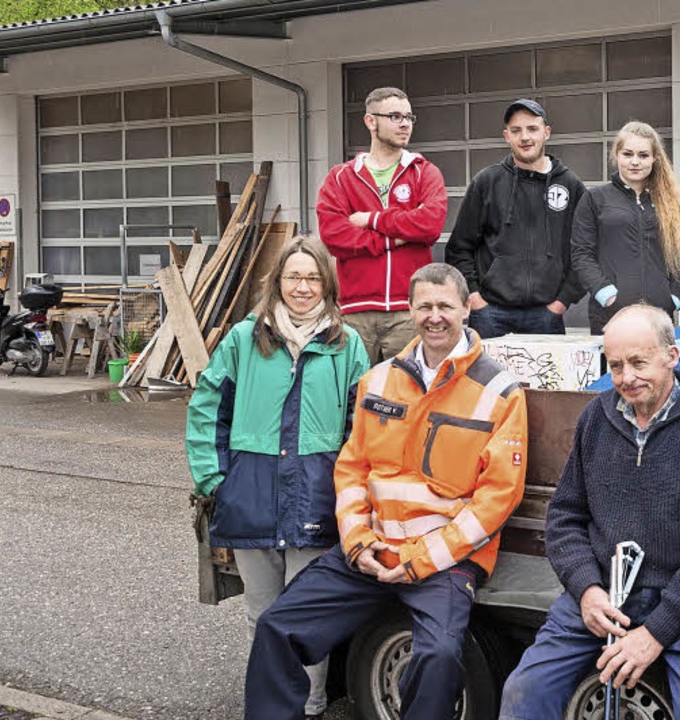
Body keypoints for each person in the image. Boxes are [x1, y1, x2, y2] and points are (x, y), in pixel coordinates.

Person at [244, 263, 527, 720]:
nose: (435, 316)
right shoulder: (376, 380)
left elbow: (498, 497)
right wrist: (357, 542)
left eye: (445, 306)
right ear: (410, 310)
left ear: (464, 310)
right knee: (278, 625)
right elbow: (352, 470)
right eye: (424, 306)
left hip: (443, 563)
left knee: (437, 658)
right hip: (371, 553)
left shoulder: (498, 391)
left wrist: (421, 559)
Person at [499, 303, 680, 720]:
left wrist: (656, 632)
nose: (626, 378)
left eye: (638, 362)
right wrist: (586, 589)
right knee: (523, 692)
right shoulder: (595, 418)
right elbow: (564, 518)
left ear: (672, 356)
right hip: (603, 598)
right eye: (615, 366)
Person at [186, 236, 369, 720]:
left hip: (314, 496)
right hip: (252, 494)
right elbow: (207, 407)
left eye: (312, 278)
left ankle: (307, 708)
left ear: (326, 284)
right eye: (294, 277)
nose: (303, 287)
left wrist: (350, 493)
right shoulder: (244, 339)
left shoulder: (347, 345)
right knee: (262, 616)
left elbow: (363, 428)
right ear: (279, 282)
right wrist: (214, 480)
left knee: (307, 619)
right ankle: (270, 708)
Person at [318, 86, 449, 365]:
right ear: (370, 121)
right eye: (394, 116)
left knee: (407, 396)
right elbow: (334, 235)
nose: (404, 124)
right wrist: (394, 238)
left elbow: (430, 225)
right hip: (354, 312)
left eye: (409, 117)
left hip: (408, 311)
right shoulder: (341, 177)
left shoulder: (424, 171)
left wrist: (372, 220)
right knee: (353, 396)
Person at [445, 98, 587, 339]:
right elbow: (460, 248)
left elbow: (584, 250)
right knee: (487, 378)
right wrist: (475, 298)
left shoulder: (570, 185)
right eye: (516, 130)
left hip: (547, 315)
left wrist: (562, 302)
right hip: (490, 314)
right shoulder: (487, 182)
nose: (525, 137)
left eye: (532, 129)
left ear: (547, 133)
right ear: (506, 136)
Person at [571, 122, 680, 335]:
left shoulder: (669, 203)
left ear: (655, 158)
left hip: (658, 315)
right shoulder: (594, 199)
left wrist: (673, 297)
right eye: (628, 154)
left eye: (643, 155)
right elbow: (581, 254)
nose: (635, 162)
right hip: (611, 314)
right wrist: (605, 293)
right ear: (616, 155)